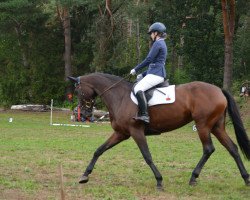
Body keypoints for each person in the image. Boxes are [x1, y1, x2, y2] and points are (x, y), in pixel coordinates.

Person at [130, 22, 167, 123]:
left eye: (151, 33)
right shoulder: (161, 43)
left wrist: (135, 69)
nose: (150, 35)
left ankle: (145, 115)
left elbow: (149, 59)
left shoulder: (158, 43)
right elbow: (155, 65)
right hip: (156, 72)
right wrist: (142, 74)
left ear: (156, 33)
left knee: (138, 88)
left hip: (157, 74)